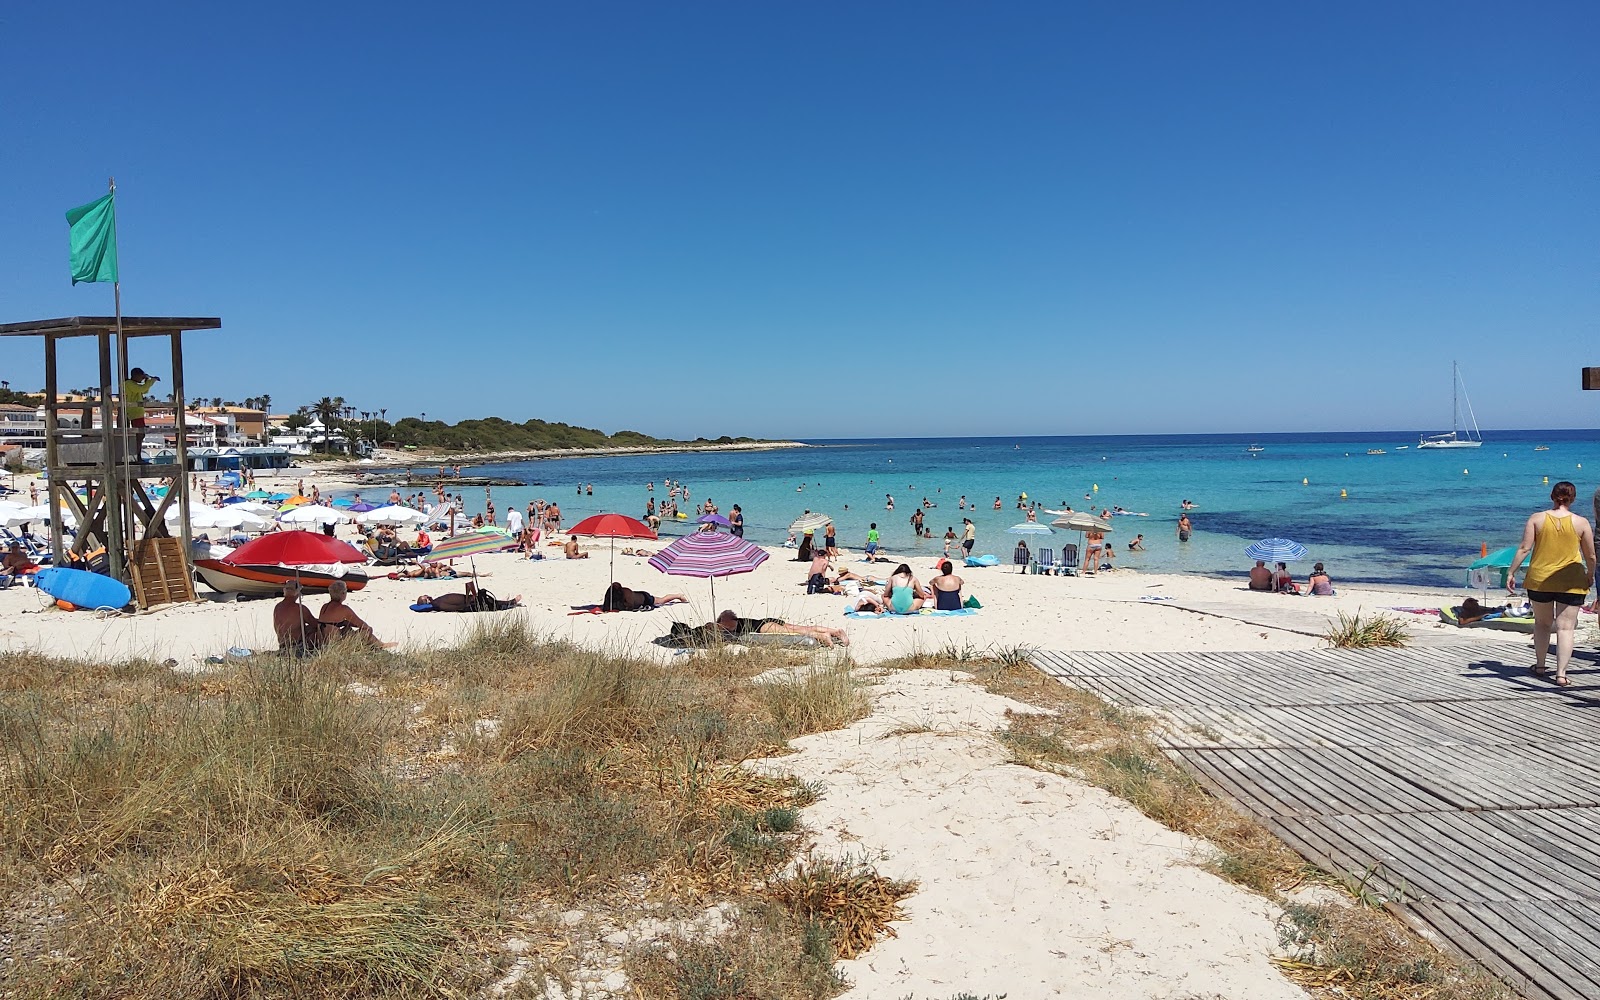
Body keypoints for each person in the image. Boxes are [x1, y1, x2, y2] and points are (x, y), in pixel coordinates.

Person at [1508, 481, 1596, 687]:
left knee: (1542, 624)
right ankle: (1561, 675)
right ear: (1573, 499)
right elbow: (1590, 555)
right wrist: (1590, 575)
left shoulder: (1536, 519)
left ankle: (1540, 665)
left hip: (1540, 580)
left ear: (1552, 496)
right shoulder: (1581, 523)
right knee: (1566, 628)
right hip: (1571, 580)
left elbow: (1523, 548)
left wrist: (1511, 572)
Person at [318, 580, 394, 648]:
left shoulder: (324, 606)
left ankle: (380, 644)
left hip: (324, 643)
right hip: (337, 646)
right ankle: (379, 645)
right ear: (343, 593)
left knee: (346, 628)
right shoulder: (344, 609)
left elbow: (330, 622)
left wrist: (347, 623)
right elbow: (364, 626)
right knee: (367, 630)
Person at [714, 609, 848, 647]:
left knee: (793, 632)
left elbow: (728, 621)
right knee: (799, 628)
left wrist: (717, 626)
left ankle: (822, 636)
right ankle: (835, 631)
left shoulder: (726, 621)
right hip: (767, 621)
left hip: (762, 627)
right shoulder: (735, 620)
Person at [274, 580, 328, 656]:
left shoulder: (278, 607)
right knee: (317, 629)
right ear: (297, 593)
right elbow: (314, 623)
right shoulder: (299, 608)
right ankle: (323, 650)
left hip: (283, 645)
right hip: (297, 647)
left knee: (308, 628)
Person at [417, 581, 523, 612]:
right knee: (489, 602)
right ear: (426, 601)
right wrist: (470, 599)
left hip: (469, 601)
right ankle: (512, 602)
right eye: (424, 597)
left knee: (486, 598)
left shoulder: (437, 602)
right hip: (470, 604)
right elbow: (456, 607)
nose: (427, 595)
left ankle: (505, 602)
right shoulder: (438, 604)